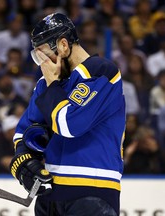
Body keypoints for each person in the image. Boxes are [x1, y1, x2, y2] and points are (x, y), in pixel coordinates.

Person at [9, 13, 125, 216]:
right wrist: (25, 163)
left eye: (44, 55)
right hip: (49, 198)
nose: (43, 64)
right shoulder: (46, 83)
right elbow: (23, 133)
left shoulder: (101, 72)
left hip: (92, 192)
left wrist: (52, 84)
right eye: (38, 58)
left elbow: (70, 125)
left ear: (63, 45)